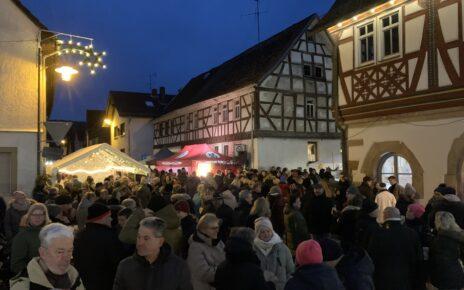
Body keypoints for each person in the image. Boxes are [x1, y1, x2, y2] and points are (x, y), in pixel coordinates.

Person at [113, 217, 193, 290]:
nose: (140, 243)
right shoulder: (125, 266)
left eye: (146, 238)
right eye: (138, 237)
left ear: (160, 241)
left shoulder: (178, 267)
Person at [9, 223, 85, 289]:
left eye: (70, 251)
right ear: (43, 253)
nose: (67, 258)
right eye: (60, 252)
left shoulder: (74, 277)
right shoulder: (23, 286)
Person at [368, 207, 422, 290]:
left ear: (384, 216)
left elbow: (372, 256)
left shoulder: (378, 234)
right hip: (406, 276)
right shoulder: (411, 233)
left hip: (383, 277)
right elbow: (418, 257)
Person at [74, 203, 125, 290]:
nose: (111, 219)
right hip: (105, 283)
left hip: (84, 283)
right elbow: (117, 261)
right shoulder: (109, 236)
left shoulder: (80, 235)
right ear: (102, 218)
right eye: (109, 216)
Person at [253, 217, 294, 290]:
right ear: (257, 234)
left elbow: (291, 270)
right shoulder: (253, 250)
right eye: (262, 232)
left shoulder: (282, 248)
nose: (266, 234)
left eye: (268, 231)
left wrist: (287, 284)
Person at [187, 214, 225, 290]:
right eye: (213, 228)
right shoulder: (195, 247)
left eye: (217, 227)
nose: (217, 230)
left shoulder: (218, 242)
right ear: (203, 230)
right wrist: (227, 270)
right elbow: (203, 273)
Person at [10, 203, 51, 274]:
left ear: (45, 217)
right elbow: (16, 265)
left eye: (41, 214)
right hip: (34, 276)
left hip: (53, 272)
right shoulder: (22, 236)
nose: (37, 217)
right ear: (29, 217)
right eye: (34, 214)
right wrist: (36, 272)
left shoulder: (49, 231)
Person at [429, 211, 464, 290]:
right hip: (458, 273)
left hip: (444, 276)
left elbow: (435, 261)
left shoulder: (438, 240)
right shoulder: (459, 236)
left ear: (439, 223)